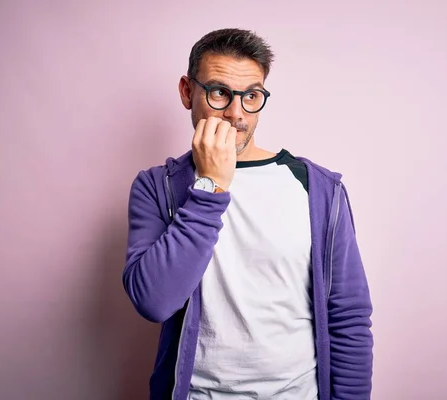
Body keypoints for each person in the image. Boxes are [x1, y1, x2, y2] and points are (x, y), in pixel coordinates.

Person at [122, 28, 374, 400]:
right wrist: (211, 185)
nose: (236, 113)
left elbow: (349, 318)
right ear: (187, 92)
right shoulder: (157, 187)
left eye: (251, 96)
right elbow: (153, 301)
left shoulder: (319, 190)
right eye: (219, 92)